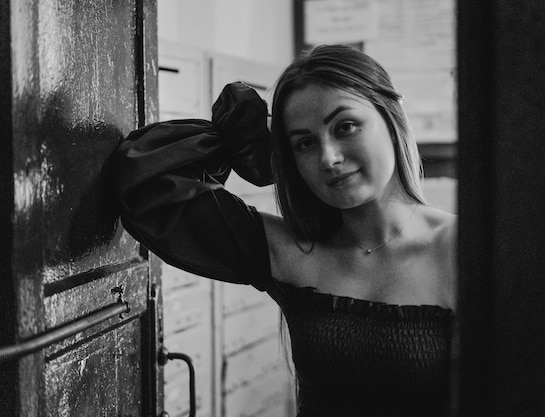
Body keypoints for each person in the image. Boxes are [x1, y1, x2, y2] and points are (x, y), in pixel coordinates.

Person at [117, 44, 457, 416]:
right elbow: (144, 181)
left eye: (345, 126)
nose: (328, 158)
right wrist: (242, 144)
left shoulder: (463, 248)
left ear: (392, 119)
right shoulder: (292, 251)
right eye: (305, 143)